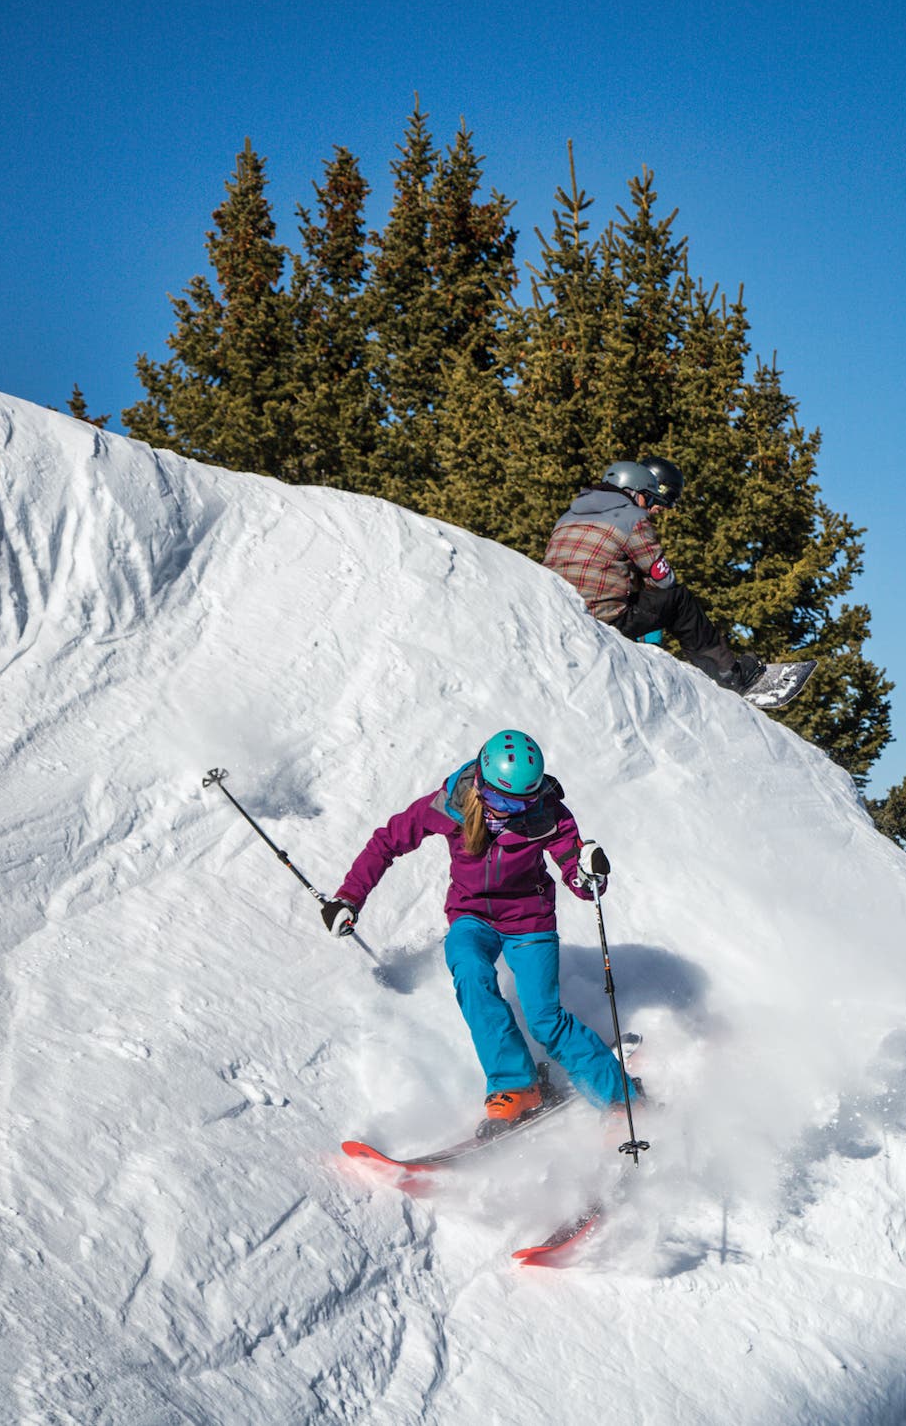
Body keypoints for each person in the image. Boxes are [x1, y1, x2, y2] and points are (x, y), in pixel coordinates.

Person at [322, 730, 642, 1136]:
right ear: (483, 784)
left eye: (523, 801)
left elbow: (576, 875)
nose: (513, 811)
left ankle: (622, 1096)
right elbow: (388, 841)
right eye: (505, 801)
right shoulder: (452, 804)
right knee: (471, 976)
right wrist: (349, 898)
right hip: (471, 916)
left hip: (530, 919)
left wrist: (588, 871)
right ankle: (516, 1085)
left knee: (545, 1020)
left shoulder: (547, 813)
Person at [543, 456, 765, 693]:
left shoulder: (566, 518)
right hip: (602, 618)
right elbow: (664, 579)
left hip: (562, 610)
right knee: (678, 599)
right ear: (633, 492)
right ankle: (730, 675)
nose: (649, 508)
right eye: (647, 498)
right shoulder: (632, 518)